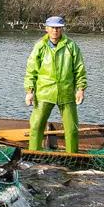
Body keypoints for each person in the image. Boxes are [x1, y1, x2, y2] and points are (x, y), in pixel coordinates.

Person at [24, 15, 87, 152]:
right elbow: (31, 70)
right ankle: (34, 155)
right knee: (36, 126)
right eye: (52, 27)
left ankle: (73, 158)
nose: (55, 31)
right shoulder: (40, 46)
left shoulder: (71, 46)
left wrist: (81, 89)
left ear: (62, 29)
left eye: (58, 28)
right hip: (44, 92)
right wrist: (29, 92)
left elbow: (79, 69)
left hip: (66, 92)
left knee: (71, 129)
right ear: (46, 29)